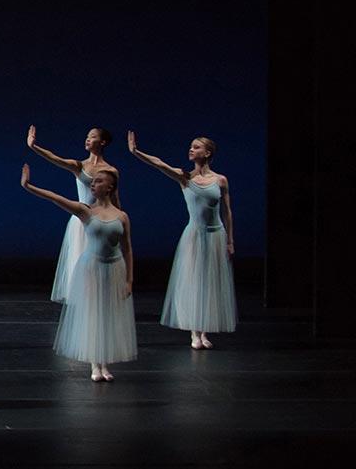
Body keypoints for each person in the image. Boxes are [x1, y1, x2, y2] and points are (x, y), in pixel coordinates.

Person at [21, 164, 136, 382]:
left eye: (99, 181)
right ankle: (95, 363)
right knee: (94, 312)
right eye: (92, 182)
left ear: (110, 187)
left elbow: (128, 248)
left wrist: (129, 280)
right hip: (92, 267)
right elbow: (55, 197)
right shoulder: (85, 211)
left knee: (108, 314)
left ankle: (105, 362)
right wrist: (29, 186)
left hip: (114, 268)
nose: (93, 184)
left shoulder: (121, 216)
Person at [128, 131, 236, 348]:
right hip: (194, 235)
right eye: (191, 146)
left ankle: (204, 330)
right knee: (195, 280)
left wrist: (230, 241)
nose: (191, 149)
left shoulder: (220, 180)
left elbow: (227, 212)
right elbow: (159, 164)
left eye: (196, 147)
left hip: (215, 234)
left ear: (207, 153)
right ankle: (195, 333)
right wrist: (136, 151)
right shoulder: (185, 178)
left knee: (210, 282)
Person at [25, 125, 119, 302]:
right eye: (87, 136)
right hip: (82, 222)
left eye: (92, 137)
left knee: (98, 264)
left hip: (102, 221)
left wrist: (118, 223)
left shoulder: (111, 171)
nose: (88, 139)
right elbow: (55, 158)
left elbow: (115, 201)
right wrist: (34, 146)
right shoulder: (79, 166)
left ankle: (97, 302)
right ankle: (83, 304)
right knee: (80, 264)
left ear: (103, 142)